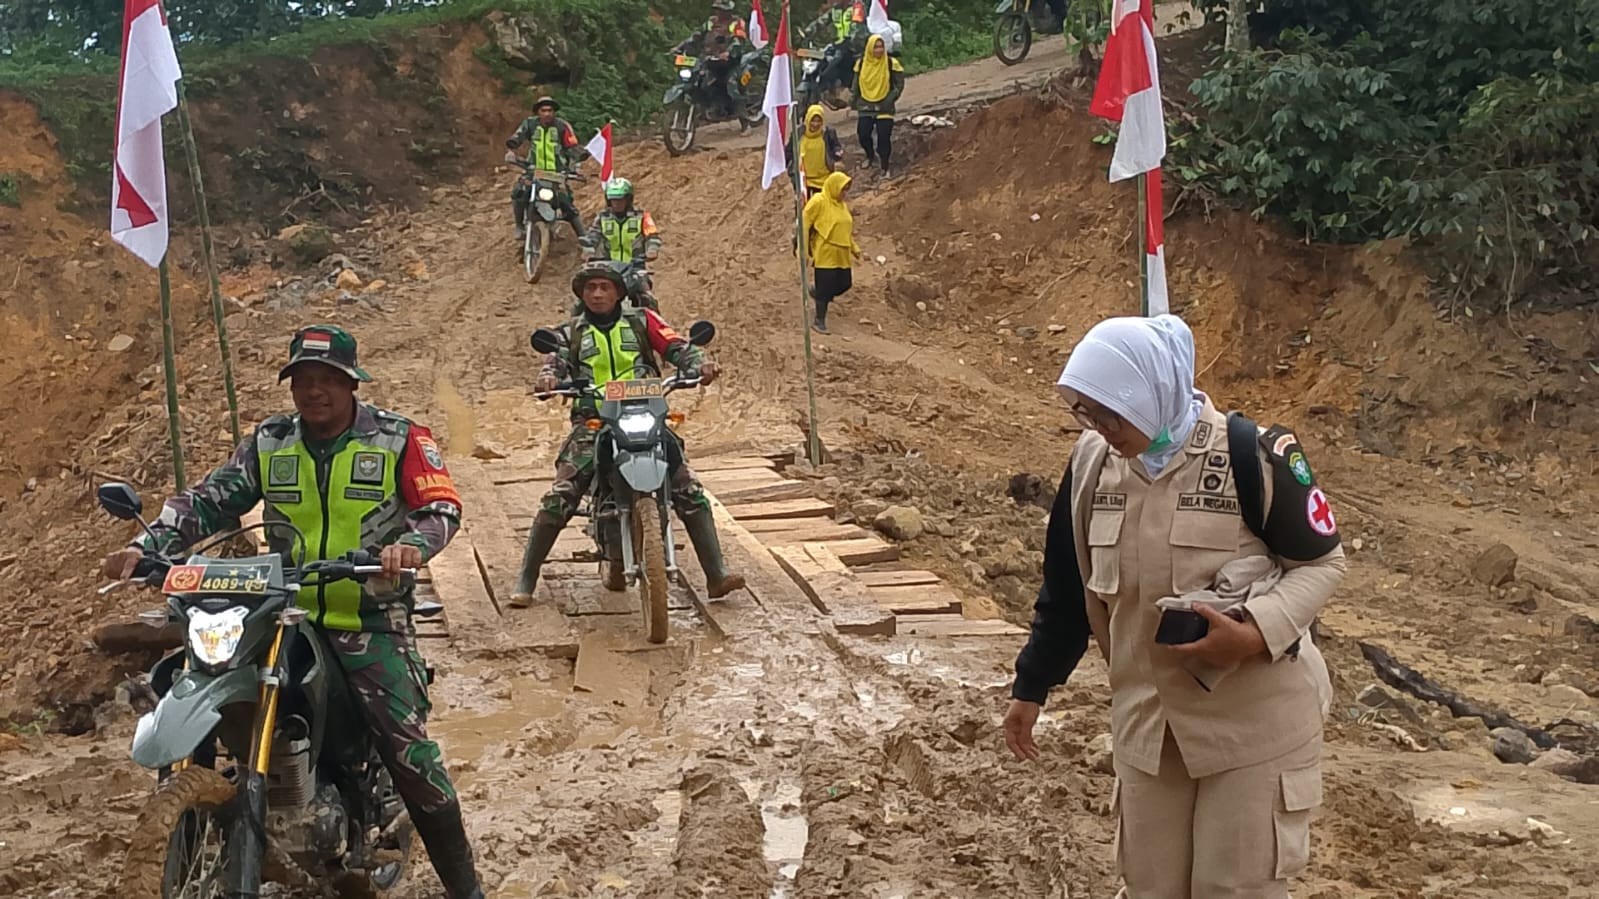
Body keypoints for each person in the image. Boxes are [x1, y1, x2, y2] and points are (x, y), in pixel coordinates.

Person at [100, 326, 484, 899]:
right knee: (191, 676)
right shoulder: (271, 441)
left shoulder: (398, 438)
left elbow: (440, 507)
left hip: (367, 616)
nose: (315, 391)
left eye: (328, 380)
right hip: (282, 612)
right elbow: (209, 499)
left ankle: (466, 890)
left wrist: (411, 547)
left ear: (352, 384)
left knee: (408, 751)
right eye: (303, 380)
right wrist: (148, 544)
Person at [1003, 315, 1346, 899]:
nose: (1101, 427)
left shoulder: (1252, 456)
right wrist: (1030, 688)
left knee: (1232, 887)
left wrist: (1254, 633)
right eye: (1087, 412)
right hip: (1148, 725)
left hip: (1254, 725)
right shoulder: (1091, 467)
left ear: (1153, 394)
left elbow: (1322, 565)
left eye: (1112, 413)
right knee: (1150, 886)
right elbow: (1067, 591)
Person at [511, 262, 747, 607]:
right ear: (581, 294)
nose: (597, 294)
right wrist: (548, 378)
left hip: (645, 413)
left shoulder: (642, 321)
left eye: (604, 287)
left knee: (688, 487)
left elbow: (678, 346)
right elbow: (554, 361)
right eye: (590, 288)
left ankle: (716, 574)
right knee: (561, 493)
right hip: (594, 419)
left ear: (619, 292)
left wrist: (699, 364)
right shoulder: (569, 331)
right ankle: (527, 577)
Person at [504, 96, 587, 238]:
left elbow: (571, 146)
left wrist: (579, 158)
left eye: (550, 110)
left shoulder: (562, 126)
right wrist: (512, 148)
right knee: (519, 191)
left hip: (556, 173)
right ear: (538, 112)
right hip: (534, 170)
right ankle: (519, 226)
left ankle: (585, 240)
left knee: (566, 202)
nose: (547, 113)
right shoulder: (530, 124)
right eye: (543, 110)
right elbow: (517, 137)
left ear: (554, 112)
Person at [580, 177, 662, 311]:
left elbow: (652, 236)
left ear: (628, 199)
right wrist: (588, 250)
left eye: (620, 199)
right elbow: (592, 236)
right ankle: (576, 326)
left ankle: (656, 328)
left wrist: (652, 249)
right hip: (609, 267)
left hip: (635, 266)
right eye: (613, 200)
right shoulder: (602, 218)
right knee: (584, 299)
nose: (616, 203)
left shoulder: (642, 217)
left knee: (648, 298)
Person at [802, 172, 862, 334]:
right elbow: (805, 222)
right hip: (826, 252)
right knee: (826, 285)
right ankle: (819, 320)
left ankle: (819, 293)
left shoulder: (841, 205)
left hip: (842, 254)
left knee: (845, 283)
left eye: (846, 191)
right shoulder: (819, 201)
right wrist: (803, 249)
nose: (844, 194)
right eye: (842, 190)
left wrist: (854, 248)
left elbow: (844, 230)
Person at [674, 0, 751, 116]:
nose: (719, 12)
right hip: (710, 59)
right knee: (700, 79)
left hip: (731, 61)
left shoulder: (736, 23)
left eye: (722, 10)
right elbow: (696, 36)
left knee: (731, 84)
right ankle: (709, 106)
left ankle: (744, 119)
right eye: (717, 9)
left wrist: (728, 52)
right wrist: (680, 47)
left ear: (728, 11)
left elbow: (738, 41)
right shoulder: (711, 22)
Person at [851, 34, 904, 176]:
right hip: (865, 105)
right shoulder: (861, 64)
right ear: (869, 48)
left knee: (883, 138)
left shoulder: (891, 63)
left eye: (881, 46)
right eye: (876, 47)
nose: (879, 50)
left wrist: (890, 98)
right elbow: (855, 84)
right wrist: (853, 101)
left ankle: (885, 167)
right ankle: (870, 156)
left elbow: (899, 85)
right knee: (863, 134)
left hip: (884, 105)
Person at [786, 105, 845, 196]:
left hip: (824, 178)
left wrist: (838, 152)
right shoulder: (798, 134)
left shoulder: (828, 133)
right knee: (806, 208)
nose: (815, 124)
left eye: (819, 121)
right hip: (803, 180)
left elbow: (835, 146)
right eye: (813, 120)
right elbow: (789, 151)